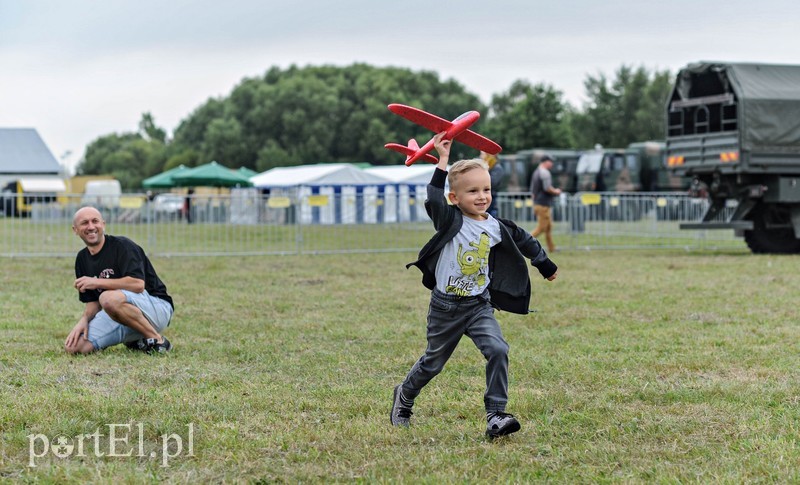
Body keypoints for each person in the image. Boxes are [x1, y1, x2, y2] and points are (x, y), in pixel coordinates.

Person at [391, 132, 558, 438]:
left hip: (478, 305)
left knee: (497, 349)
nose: (482, 196)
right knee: (433, 364)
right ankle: (404, 397)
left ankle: (496, 415)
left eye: (486, 189)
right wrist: (442, 160)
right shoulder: (449, 220)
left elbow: (524, 239)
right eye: (472, 192)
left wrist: (544, 263)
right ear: (455, 198)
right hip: (446, 308)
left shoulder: (495, 226)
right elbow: (432, 196)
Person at [65, 206, 174, 355]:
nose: (91, 227)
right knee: (75, 346)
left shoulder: (122, 245)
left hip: (156, 308)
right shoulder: (82, 259)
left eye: (95, 221)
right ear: (75, 230)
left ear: (103, 224)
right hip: (119, 311)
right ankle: (136, 340)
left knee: (108, 297)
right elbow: (93, 303)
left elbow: (138, 285)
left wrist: (96, 282)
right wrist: (83, 320)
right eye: (84, 223)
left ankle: (158, 341)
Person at [530, 155, 562, 253]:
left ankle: (551, 248)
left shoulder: (536, 172)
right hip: (543, 204)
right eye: (551, 161)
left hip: (538, 203)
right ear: (546, 162)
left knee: (548, 227)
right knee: (541, 228)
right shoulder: (545, 173)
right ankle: (521, 243)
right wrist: (556, 191)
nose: (552, 164)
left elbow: (532, 190)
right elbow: (547, 188)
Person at [481, 151, 505, 218]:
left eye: (482, 154)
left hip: (491, 197)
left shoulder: (497, 167)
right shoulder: (486, 166)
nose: (481, 156)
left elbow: (492, 182)